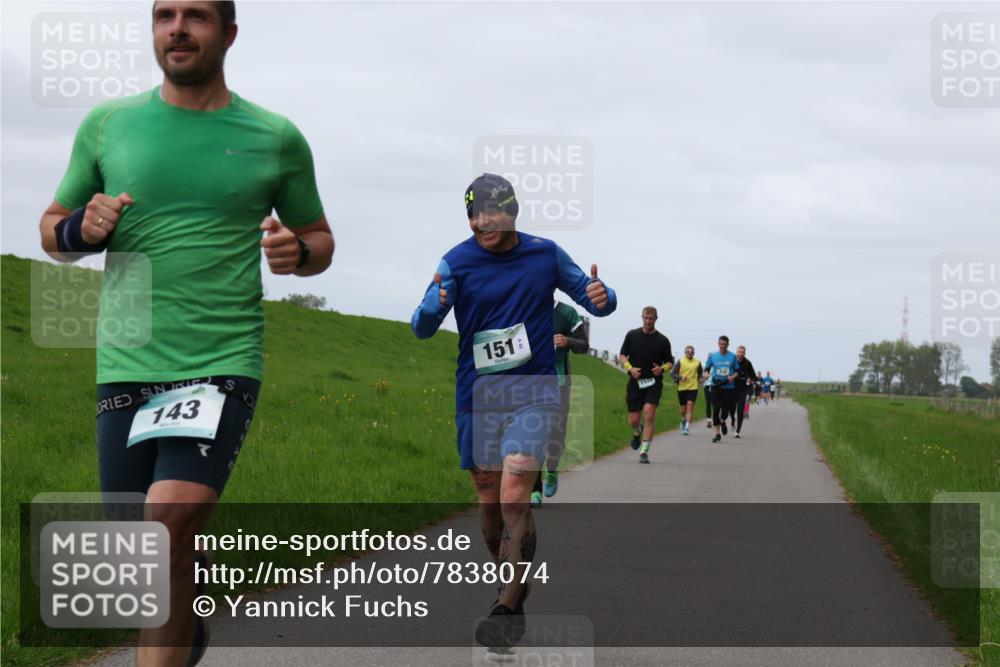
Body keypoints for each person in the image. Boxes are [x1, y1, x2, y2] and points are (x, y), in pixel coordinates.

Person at [38, 3, 334, 665]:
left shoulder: (275, 136)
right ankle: (186, 608)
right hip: (127, 358)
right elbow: (52, 229)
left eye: (195, 16)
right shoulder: (109, 125)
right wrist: (80, 228)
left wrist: (298, 252)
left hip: (220, 359)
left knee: (166, 524)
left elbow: (319, 238)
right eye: (164, 14)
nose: (177, 27)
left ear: (228, 34)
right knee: (142, 556)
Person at [411, 173, 615, 648]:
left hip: (533, 392)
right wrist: (434, 306)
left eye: (493, 211)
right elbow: (421, 326)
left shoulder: (545, 254)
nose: (483, 221)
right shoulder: (455, 261)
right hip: (477, 397)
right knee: (488, 503)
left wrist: (604, 297)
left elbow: (594, 300)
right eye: (474, 214)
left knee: (515, 490)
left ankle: (506, 604)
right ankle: (514, 585)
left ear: (512, 211)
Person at [530, 304, 589, 508]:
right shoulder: (524, 304)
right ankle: (535, 489)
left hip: (559, 381)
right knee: (533, 435)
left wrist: (567, 341)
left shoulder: (566, 313)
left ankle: (552, 468)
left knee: (556, 433)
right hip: (530, 382)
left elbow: (583, 345)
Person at [618, 308, 673, 464]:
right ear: (642, 317)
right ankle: (637, 430)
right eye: (646, 318)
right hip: (635, 382)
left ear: (656, 319)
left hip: (654, 383)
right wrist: (630, 368)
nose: (648, 321)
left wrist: (662, 369)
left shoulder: (663, 340)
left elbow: (670, 362)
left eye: (651, 318)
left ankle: (644, 452)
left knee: (649, 413)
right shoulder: (632, 335)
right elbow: (622, 355)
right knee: (633, 420)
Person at [704, 336, 740, 443]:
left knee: (725, 411)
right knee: (715, 410)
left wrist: (733, 377)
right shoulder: (713, 356)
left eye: (724, 344)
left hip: (728, 387)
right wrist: (706, 373)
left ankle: (723, 420)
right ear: (718, 344)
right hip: (716, 385)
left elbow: (737, 371)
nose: (722, 346)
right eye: (721, 344)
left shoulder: (732, 356)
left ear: (728, 345)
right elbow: (706, 368)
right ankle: (717, 434)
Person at [671, 346, 702, 435]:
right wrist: (681, 377)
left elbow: (700, 373)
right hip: (682, 387)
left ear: (694, 353)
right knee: (683, 410)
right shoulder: (681, 361)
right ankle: (683, 419)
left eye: (691, 352)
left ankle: (687, 427)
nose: (690, 353)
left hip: (693, 387)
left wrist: (700, 379)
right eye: (688, 351)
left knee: (690, 405)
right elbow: (673, 373)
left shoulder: (697, 362)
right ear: (685, 353)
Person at [732, 346, 757, 439]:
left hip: (742, 390)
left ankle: (737, 431)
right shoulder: (732, 361)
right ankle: (732, 421)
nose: (741, 354)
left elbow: (753, 376)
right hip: (731, 388)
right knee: (731, 409)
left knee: (740, 411)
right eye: (739, 352)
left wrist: (750, 378)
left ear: (745, 353)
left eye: (742, 352)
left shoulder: (747, 363)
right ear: (736, 352)